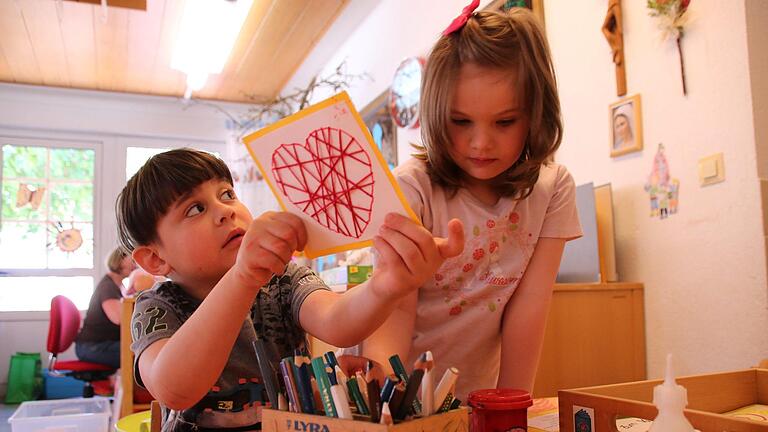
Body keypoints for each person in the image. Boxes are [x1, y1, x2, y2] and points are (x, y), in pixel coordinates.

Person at [115, 148, 462, 431]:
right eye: (196, 209)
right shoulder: (156, 306)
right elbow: (174, 388)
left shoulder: (282, 279)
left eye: (227, 194)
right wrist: (243, 278)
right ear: (155, 259)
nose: (225, 211)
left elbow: (338, 321)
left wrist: (386, 285)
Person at [362, 4, 582, 403]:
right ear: (436, 112)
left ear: (535, 115)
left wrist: (510, 407)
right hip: (393, 389)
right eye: (461, 122)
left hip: (474, 393)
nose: (481, 143)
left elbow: (529, 309)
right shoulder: (413, 187)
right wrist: (386, 401)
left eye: (504, 122)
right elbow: (393, 306)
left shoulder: (553, 188)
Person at [75, 247, 136, 369]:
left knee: (141, 350)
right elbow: (119, 318)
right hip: (92, 347)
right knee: (140, 353)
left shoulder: (118, 286)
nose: (136, 265)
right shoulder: (108, 286)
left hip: (98, 344)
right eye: (133, 261)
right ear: (119, 260)